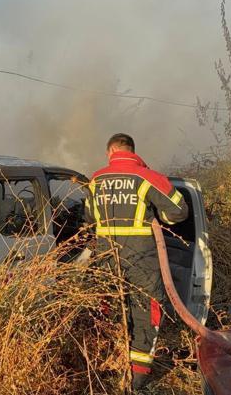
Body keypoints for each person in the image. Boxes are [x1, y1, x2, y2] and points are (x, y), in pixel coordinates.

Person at [86, 133, 188, 390]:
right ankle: (137, 380)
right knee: (146, 314)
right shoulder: (148, 177)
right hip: (142, 260)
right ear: (132, 151)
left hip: (107, 258)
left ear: (110, 152)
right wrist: (158, 214)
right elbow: (179, 211)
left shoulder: (96, 179)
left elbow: (88, 218)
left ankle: (110, 366)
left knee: (108, 312)